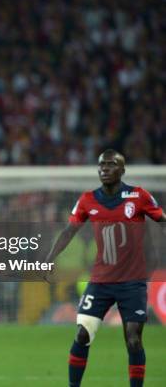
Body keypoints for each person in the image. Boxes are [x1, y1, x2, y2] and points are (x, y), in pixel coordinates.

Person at [45, 150, 166, 387]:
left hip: (132, 283)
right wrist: (50, 257)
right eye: (102, 165)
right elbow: (70, 230)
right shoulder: (88, 199)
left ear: (122, 170)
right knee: (82, 334)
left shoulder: (138, 196)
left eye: (111, 165)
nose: (105, 169)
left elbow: (162, 221)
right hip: (100, 282)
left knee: (133, 340)